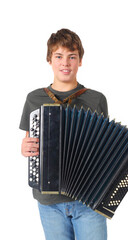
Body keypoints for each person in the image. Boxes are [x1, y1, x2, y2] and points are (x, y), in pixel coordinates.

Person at [19, 28, 109, 240]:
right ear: (49, 60)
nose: (65, 63)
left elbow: (106, 145)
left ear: (80, 61)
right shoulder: (34, 98)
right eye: (58, 56)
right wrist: (24, 148)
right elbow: (27, 142)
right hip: (50, 202)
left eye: (72, 57)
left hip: (89, 199)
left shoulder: (96, 100)